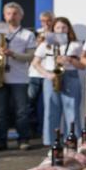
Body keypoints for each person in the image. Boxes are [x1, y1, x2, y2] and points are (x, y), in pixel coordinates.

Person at [33, 17, 83, 146]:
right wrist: (47, 74)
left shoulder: (75, 44)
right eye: (58, 27)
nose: (61, 30)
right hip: (51, 77)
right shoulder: (46, 44)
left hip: (70, 76)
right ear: (53, 29)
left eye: (64, 27)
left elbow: (82, 66)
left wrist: (70, 60)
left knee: (72, 109)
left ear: (69, 29)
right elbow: (35, 63)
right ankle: (51, 141)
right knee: (51, 110)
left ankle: (72, 139)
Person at [0, 2, 37, 150]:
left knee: (21, 112)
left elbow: (30, 56)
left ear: (21, 16)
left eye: (15, 14)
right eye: (8, 13)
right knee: (0, 112)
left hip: (19, 78)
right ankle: (0, 140)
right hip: (0, 78)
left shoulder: (28, 34)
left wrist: (13, 54)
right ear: (4, 15)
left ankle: (23, 139)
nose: (11, 16)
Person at [26, 10, 55, 138]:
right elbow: (29, 53)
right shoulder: (35, 33)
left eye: (49, 20)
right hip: (34, 73)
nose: (46, 23)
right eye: (43, 21)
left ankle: (44, 130)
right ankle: (32, 130)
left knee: (46, 104)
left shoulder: (56, 35)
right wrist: (37, 44)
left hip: (48, 74)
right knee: (30, 103)